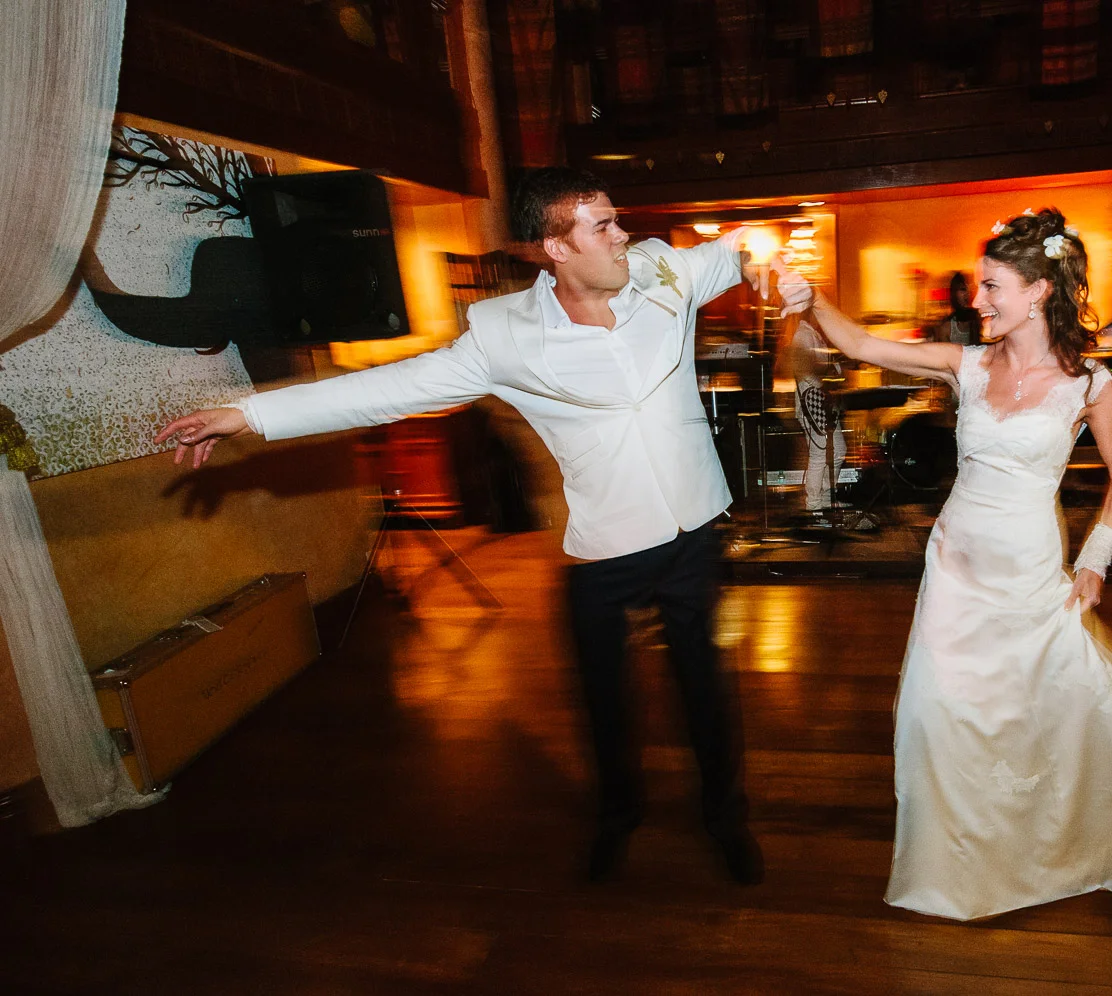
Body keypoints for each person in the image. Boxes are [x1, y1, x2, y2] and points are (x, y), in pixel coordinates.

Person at [155, 167, 811, 884]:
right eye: (602, 225)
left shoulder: (664, 272)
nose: (623, 234)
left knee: (705, 686)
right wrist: (250, 413)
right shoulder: (503, 337)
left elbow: (742, 246)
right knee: (604, 699)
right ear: (556, 247)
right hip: (605, 546)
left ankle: (725, 820)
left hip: (692, 531)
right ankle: (618, 818)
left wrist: (773, 269)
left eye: (616, 219)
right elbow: (391, 388)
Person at [786, 209, 1112, 922]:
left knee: (1042, 707)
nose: (979, 300)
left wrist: (1096, 560)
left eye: (992, 286)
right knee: (937, 709)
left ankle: (1059, 841)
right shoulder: (967, 364)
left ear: (1039, 291)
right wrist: (812, 298)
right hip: (954, 564)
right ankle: (956, 862)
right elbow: (862, 343)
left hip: (1028, 567)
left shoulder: (1090, 384)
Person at [775, 313, 845, 514]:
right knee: (820, 454)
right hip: (813, 403)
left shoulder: (813, 334)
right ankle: (815, 503)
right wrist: (825, 385)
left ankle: (823, 499)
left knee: (836, 451)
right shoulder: (804, 334)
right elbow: (803, 369)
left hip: (820, 403)